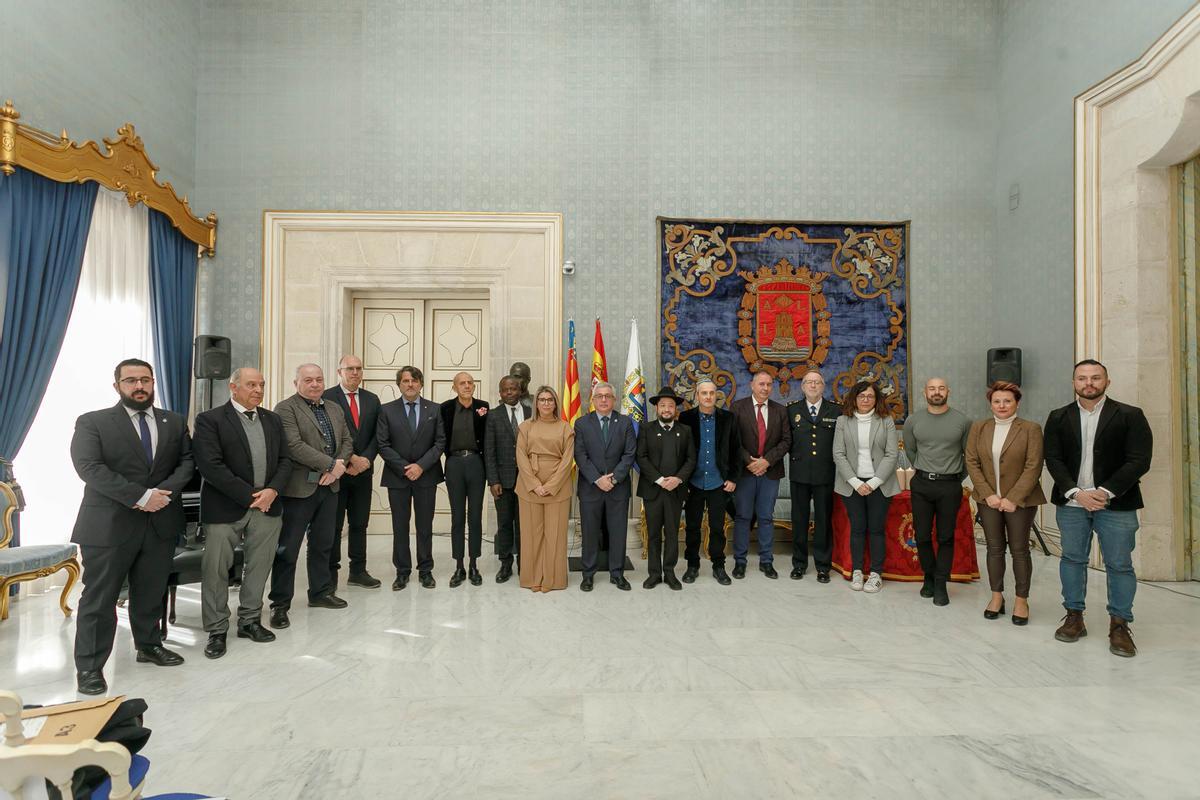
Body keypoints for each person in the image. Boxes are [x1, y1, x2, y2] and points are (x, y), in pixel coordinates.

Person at [70, 359, 195, 695]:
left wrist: (161, 494)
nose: (139, 386)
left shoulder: (174, 421)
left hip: (161, 521)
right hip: (108, 525)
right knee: (100, 598)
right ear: (117, 386)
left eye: (145, 380)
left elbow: (187, 461)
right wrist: (141, 497)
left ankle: (149, 645)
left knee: (151, 591)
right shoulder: (93, 422)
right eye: (130, 381)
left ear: (153, 383)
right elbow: (89, 468)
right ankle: (90, 668)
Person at [1043, 360, 1152, 657]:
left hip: (1117, 504)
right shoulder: (1058, 417)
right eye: (1082, 378)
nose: (1088, 383)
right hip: (1072, 503)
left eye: (1095, 377)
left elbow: (1139, 460)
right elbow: (1052, 459)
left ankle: (1119, 624)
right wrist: (1077, 493)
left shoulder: (1130, 415)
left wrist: (1103, 493)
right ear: (1074, 382)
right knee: (1072, 559)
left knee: (1119, 564)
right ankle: (1074, 616)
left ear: (1107, 381)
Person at [193, 367, 292, 659]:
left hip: (268, 505)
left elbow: (286, 460)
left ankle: (249, 620)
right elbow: (211, 466)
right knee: (216, 569)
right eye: (251, 385)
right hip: (225, 507)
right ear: (233, 388)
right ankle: (217, 629)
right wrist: (252, 497)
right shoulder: (210, 420)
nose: (258, 390)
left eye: (261, 385)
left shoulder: (273, 420)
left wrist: (272, 491)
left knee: (260, 566)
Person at [269, 364, 354, 628]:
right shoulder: (285, 408)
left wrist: (338, 468)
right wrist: (331, 465)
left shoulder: (334, 408)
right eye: (308, 380)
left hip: (329, 488)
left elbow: (347, 441)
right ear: (296, 383)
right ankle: (280, 604)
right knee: (288, 548)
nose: (315, 384)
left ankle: (320, 592)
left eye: (319, 379)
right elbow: (294, 446)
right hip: (298, 490)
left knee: (323, 544)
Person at [964, 381, 1046, 625]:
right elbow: (972, 461)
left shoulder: (1031, 428)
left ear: (1017, 403)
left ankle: (1022, 600)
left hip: (1020, 502)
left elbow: (1034, 466)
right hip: (987, 500)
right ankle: (996, 596)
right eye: (997, 401)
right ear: (990, 404)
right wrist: (988, 494)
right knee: (994, 548)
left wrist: (1013, 498)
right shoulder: (979, 427)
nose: (1002, 405)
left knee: (1019, 550)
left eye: (1007, 401)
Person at [903, 377, 972, 606]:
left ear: (948, 392)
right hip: (921, 484)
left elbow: (968, 455)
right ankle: (929, 577)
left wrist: (954, 477)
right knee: (921, 536)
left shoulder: (962, 420)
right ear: (925, 393)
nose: (937, 392)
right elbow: (911, 451)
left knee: (945, 537)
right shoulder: (914, 420)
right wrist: (926, 471)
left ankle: (941, 583)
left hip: (950, 486)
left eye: (941, 388)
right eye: (932, 388)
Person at [376, 365, 445, 590]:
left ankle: (425, 570)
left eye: (414, 381)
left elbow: (440, 442)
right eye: (405, 381)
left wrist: (421, 467)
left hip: (426, 476)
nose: (410, 385)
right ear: (399, 384)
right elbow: (383, 445)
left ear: (421, 384)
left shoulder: (434, 410)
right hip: (398, 477)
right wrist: (406, 467)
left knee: (425, 525)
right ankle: (402, 571)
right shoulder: (386, 410)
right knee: (400, 525)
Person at [831, 380, 899, 593]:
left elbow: (892, 454)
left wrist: (873, 482)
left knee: (877, 529)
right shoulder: (843, 421)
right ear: (854, 398)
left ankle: (876, 574)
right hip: (852, 485)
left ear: (876, 399)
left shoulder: (886, 421)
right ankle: (858, 571)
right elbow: (838, 454)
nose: (866, 400)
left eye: (870, 396)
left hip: (880, 484)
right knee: (858, 529)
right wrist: (855, 482)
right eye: (862, 396)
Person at [322, 354, 382, 589]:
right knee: (334, 525)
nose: (355, 372)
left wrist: (366, 459)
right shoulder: (327, 397)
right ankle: (330, 573)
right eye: (350, 368)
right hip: (336, 472)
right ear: (340, 372)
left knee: (359, 523)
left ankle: (358, 571)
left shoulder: (372, 399)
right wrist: (349, 460)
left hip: (363, 473)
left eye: (358, 368)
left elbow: (379, 434)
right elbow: (324, 434)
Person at [573, 380, 637, 591]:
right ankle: (588, 574)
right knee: (590, 532)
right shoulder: (582, 423)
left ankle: (617, 574)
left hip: (618, 489)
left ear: (614, 399)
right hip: (591, 488)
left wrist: (614, 478)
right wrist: (597, 479)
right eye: (599, 396)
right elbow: (580, 456)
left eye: (607, 396)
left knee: (618, 532)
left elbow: (629, 454)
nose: (603, 399)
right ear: (593, 400)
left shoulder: (625, 422)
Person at [730, 371, 791, 579]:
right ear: (752, 385)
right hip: (745, 473)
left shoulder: (780, 410)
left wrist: (766, 461)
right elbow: (733, 440)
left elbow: (786, 441)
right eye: (761, 384)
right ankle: (740, 562)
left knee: (766, 517)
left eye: (769, 384)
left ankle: (767, 562)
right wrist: (749, 461)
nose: (765, 388)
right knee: (743, 517)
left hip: (770, 472)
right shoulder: (738, 408)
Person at [679, 379, 739, 585]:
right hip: (693, 483)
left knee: (716, 527)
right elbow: (680, 452)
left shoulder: (728, 419)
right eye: (703, 393)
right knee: (692, 527)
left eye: (712, 393)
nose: (708, 397)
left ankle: (719, 566)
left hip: (718, 482)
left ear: (717, 396)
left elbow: (736, 451)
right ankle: (692, 565)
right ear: (697, 396)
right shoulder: (685, 418)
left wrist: (732, 479)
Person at [516, 386, 575, 592]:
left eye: (550, 399)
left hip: (557, 487)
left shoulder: (565, 428)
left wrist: (550, 486)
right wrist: (534, 485)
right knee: (532, 535)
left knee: (555, 534)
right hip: (529, 487)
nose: (546, 403)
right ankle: (532, 578)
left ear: (556, 403)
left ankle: (554, 579)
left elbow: (568, 460)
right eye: (542, 400)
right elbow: (521, 457)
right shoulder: (525, 427)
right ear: (536, 403)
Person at [636, 387, 695, 589]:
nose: (667, 409)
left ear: (675, 408)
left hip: (675, 491)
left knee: (671, 533)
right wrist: (660, 480)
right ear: (656, 408)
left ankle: (669, 573)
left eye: (670, 405)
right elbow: (641, 457)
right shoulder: (646, 429)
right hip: (653, 490)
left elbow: (690, 459)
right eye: (663, 405)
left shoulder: (685, 430)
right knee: (653, 534)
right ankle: (654, 573)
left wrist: (677, 479)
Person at [786, 369, 841, 583]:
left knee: (823, 521)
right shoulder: (792, 410)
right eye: (809, 382)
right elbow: (786, 441)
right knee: (799, 521)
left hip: (825, 474)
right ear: (802, 386)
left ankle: (823, 566)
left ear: (823, 386)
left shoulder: (836, 410)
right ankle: (799, 564)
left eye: (817, 382)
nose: (813, 386)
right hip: (799, 474)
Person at [439, 371, 490, 587]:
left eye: (470, 383)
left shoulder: (483, 407)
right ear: (455, 387)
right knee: (457, 517)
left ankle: (473, 564)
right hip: (454, 465)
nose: (467, 386)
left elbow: (488, 438)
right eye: (462, 383)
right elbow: (439, 438)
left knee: (475, 517)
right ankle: (459, 566)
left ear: (474, 386)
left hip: (477, 464)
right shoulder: (445, 408)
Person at [484, 375, 529, 582]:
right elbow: (489, 450)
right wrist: (493, 480)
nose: (509, 392)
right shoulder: (493, 416)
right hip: (503, 480)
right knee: (504, 524)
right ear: (500, 393)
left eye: (513, 389)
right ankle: (505, 563)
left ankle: (524, 562)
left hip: (528, 481)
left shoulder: (531, 413)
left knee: (524, 524)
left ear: (520, 390)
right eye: (505, 390)